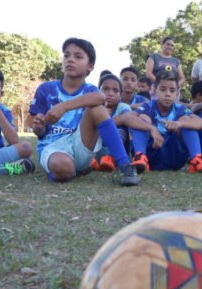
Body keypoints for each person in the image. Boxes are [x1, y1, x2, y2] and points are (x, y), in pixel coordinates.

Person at [29, 37, 138, 185]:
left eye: (78, 56)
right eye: (66, 55)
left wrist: (63, 106)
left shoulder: (90, 90)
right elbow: (38, 131)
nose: (70, 60)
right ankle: (64, 172)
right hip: (53, 146)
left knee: (98, 109)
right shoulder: (46, 89)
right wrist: (38, 126)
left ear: (90, 66)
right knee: (63, 167)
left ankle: (125, 166)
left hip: (82, 145)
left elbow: (100, 97)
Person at [128, 70, 202, 173]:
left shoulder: (180, 108)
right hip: (151, 152)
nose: (167, 94)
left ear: (177, 93)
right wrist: (150, 129)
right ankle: (140, 156)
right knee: (142, 118)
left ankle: (197, 160)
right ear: (154, 91)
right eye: (163, 89)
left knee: (186, 121)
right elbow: (127, 117)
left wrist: (179, 124)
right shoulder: (148, 106)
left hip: (173, 154)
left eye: (172, 90)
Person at [89, 72, 136, 173]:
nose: (110, 93)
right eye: (106, 89)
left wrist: (104, 121)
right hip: (94, 149)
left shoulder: (123, 107)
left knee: (121, 127)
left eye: (115, 90)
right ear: (98, 91)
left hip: (116, 153)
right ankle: (90, 160)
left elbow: (126, 117)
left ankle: (109, 158)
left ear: (120, 96)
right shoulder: (91, 108)